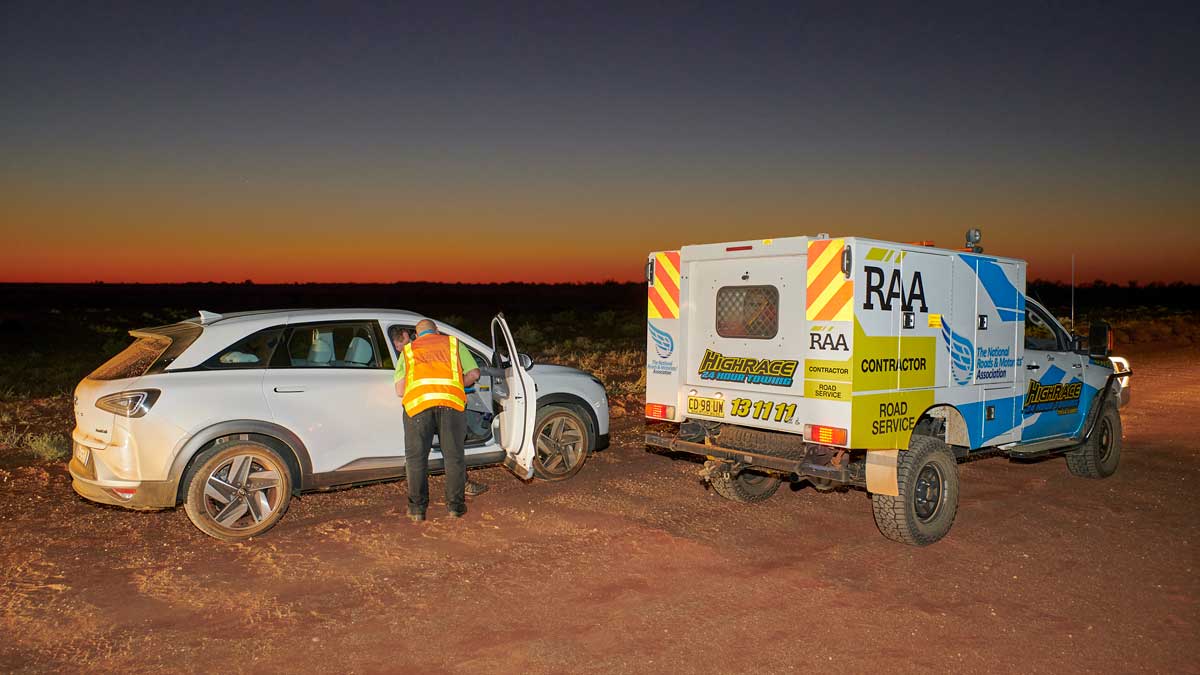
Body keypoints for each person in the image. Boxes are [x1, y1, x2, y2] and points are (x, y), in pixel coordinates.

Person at [394, 319, 481, 521]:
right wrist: (458, 384)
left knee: (416, 459)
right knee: (454, 457)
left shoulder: (408, 350)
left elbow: (399, 390)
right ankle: (455, 508)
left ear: (416, 335)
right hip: (451, 404)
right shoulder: (452, 344)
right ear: (437, 331)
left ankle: (417, 510)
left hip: (418, 407)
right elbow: (475, 373)